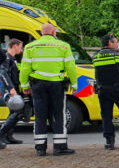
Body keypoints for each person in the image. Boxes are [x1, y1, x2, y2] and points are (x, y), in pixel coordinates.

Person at [19, 23, 77, 156]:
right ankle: (59, 147)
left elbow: (25, 69)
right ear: (54, 33)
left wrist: (25, 86)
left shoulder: (30, 47)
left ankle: (40, 148)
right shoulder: (63, 46)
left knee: (40, 115)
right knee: (58, 115)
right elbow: (71, 67)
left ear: (41, 33)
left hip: (38, 85)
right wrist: (74, 85)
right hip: (56, 85)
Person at [0, 39, 25, 148]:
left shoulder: (12, 59)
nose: (21, 49)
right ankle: (2, 134)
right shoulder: (6, 59)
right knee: (16, 112)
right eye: (20, 46)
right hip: (7, 89)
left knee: (14, 113)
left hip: (13, 88)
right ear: (15, 46)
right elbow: (3, 74)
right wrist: (10, 88)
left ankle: (8, 136)